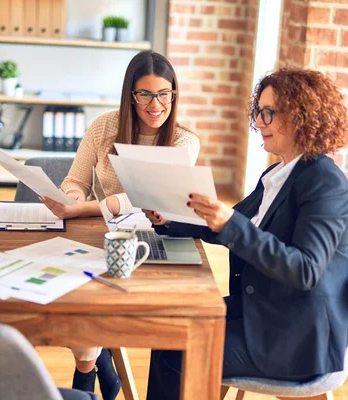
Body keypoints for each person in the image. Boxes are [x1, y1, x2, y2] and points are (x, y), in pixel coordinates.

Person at [144, 67, 348, 399]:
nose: (259, 123)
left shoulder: (326, 184)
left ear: (301, 116)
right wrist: (169, 220)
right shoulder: (279, 173)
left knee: (177, 352)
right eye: (258, 112)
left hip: (294, 337)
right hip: (262, 310)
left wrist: (229, 223)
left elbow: (305, 270)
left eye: (269, 113)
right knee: (168, 334)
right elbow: (229, 223)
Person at [40, 51, 200, 399]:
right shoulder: (104, 127)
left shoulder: (184, 141)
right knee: (70, 292)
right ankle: (97, 370)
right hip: (104, 236)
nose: (155, 105)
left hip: (153, 243)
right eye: (145, 94)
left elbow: (146, 197)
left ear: (174, 94)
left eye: (164, 94)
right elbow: (76, 180)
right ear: (131, 94)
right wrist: (69, 197)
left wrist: (83, 209)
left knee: (96, 302)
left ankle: (88, 377)